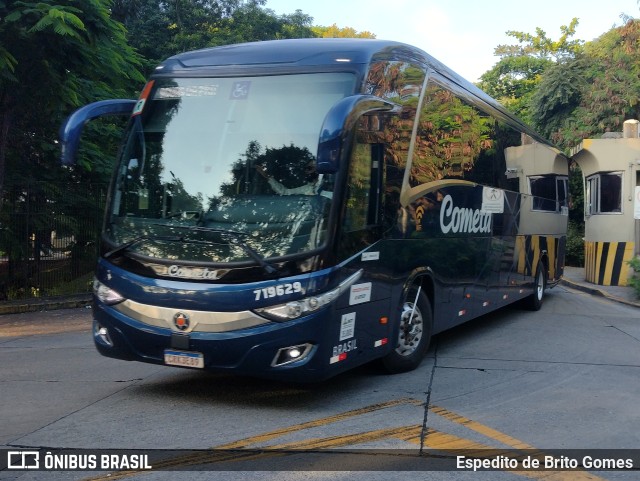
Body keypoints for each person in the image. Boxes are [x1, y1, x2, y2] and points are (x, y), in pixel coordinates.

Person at [255, 162, 322, 196]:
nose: (306, 171)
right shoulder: (307, 188)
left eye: (309, 168)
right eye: (306, 169)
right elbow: (284, 192)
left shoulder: (329, 183)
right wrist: (266, 176)